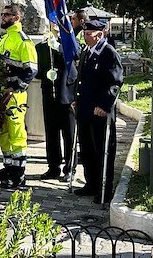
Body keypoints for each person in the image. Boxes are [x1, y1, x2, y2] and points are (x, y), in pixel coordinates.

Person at [74, 19, 123, 204]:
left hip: (100, 113)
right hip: (85, 109)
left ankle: (104, 189)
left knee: (102, 151)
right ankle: (91, 184)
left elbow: (115, 82)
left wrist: (104, 105)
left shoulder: (108, 53)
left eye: (89, 34)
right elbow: (82, 80)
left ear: (99, 34)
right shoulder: (88, 51)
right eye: (85, 33)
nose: (85, 36)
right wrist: (75, 99)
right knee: (87, 150)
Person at [0, 4, 38, 189]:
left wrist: (15, 90)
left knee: (17, 135)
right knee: (4, 134)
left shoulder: (23, 41)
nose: (3, 17)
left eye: (6, 15)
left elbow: (31, 70)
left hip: (15, 96)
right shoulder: (4, 38)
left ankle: (18, 174)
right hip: (0, 94)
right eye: (2, 14)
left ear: (16, 18)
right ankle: (8, 170)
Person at [35, 24, 78, 182]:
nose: (55, 27)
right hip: (49, 94)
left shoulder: (70, 43)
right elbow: (39, 71)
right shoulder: (41, 47)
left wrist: (59, 44)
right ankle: (53, 167)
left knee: (69, 134)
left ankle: (70, 168)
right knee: (51, 134)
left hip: (67, 95)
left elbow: (75, 55)